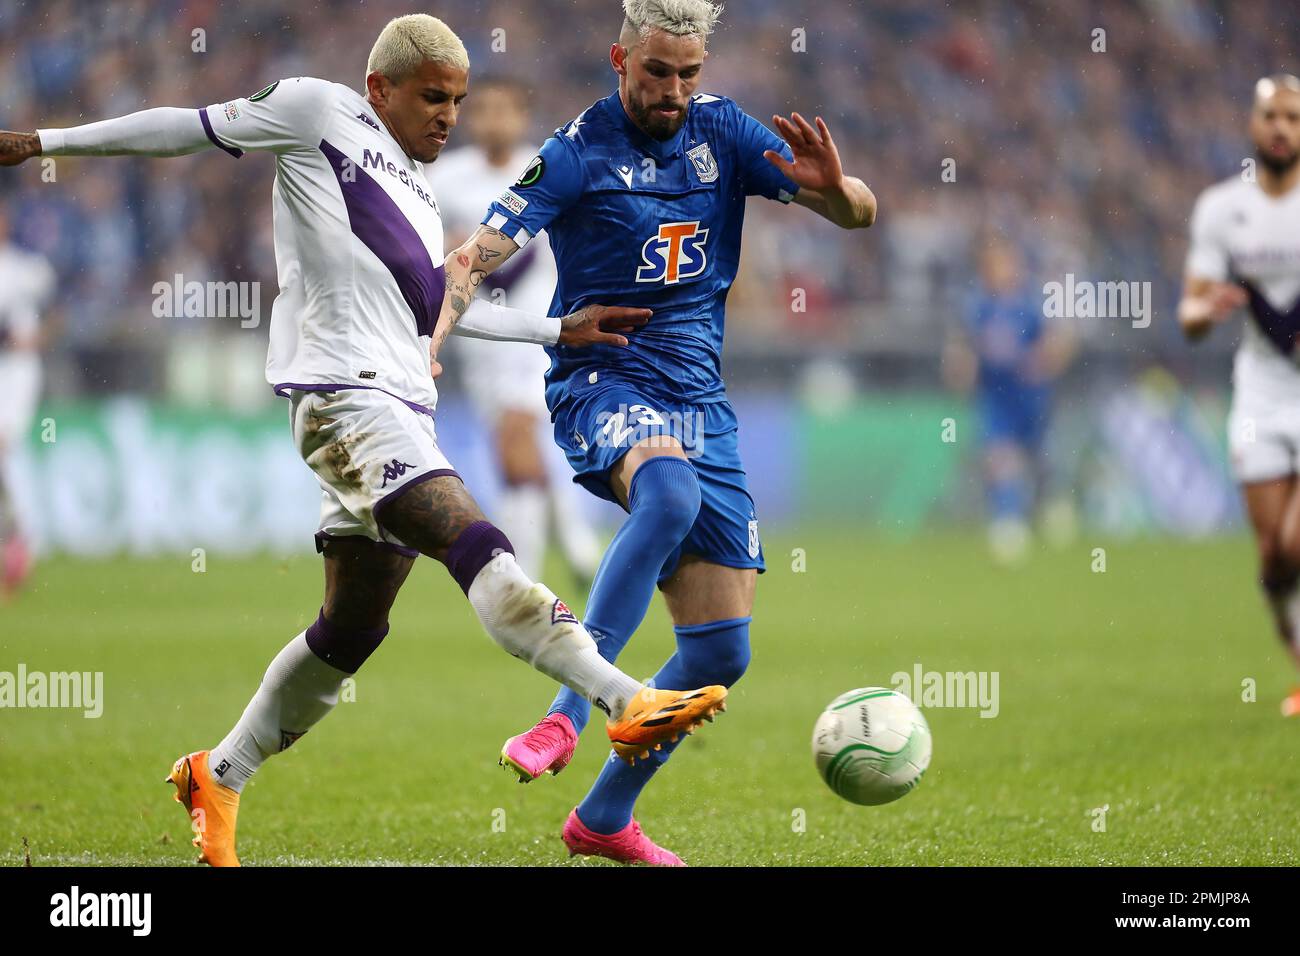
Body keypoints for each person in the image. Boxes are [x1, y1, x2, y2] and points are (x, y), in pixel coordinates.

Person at [0, 12, 728, 867]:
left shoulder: (421, 200)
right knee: (477, 540)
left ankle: (217, 772)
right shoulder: (316, 111)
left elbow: (447, 307)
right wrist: (44, 139)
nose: (448, 117)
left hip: (397, 409)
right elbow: (182, 130)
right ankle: (623, 699)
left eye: (456, 100)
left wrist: (557, 329)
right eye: (431, 98)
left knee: (349, 634)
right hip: (345, 404)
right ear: (380, 87)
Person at [430, 0, 876, 864]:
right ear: (620, 59)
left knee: (720, 652)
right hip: (603, 377)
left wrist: (838, 189)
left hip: (701, 402)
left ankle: (602, 820)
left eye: (688, 74)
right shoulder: (573, 152)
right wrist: (433, 341)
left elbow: (854, 214)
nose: (673, 91)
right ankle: (565, 714)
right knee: (666, 493)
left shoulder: (726, 134)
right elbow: (472, 258)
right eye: (657, 73)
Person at [427, 76, 602, 585]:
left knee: (516, 436)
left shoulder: (545, 170)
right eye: (482, 111)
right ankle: (575, 543)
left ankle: (521, 577)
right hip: (479, 338)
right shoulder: (446, 179)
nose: (493, 122)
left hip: (539, 329)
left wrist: (472, 249)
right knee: (522, 446)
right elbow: (439, 257)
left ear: (523, 118)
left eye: (505, 111)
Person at [1179, 74, 1300, 718]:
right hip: (1260, 398)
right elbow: (1189, 314)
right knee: (1275, 555)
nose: (1281, 127)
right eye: (1271, 116)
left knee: (1298, 540)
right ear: (1254, 127)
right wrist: (1210, 307)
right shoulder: (1222, 208)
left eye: (1293, 117)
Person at [943, 235, 1075, 564]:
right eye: (991, 264)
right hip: (996, 398)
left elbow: (1059, 342)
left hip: (1030, 397)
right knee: (999, 458)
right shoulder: (977, 306)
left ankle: (1053, 505)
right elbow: (962, 348)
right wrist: (961, 369)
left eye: (1003, 262)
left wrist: (1042, 360)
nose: (998, 270)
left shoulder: (1030, 303)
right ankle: (1008, 523)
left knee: (1042, 460)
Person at [0, 205, 56, 598]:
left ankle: (23, 542)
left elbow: (61, 305)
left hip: (17, 372)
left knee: (5, 445)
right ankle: (18, 539)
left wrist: (40, 336)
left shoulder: (25, 268)